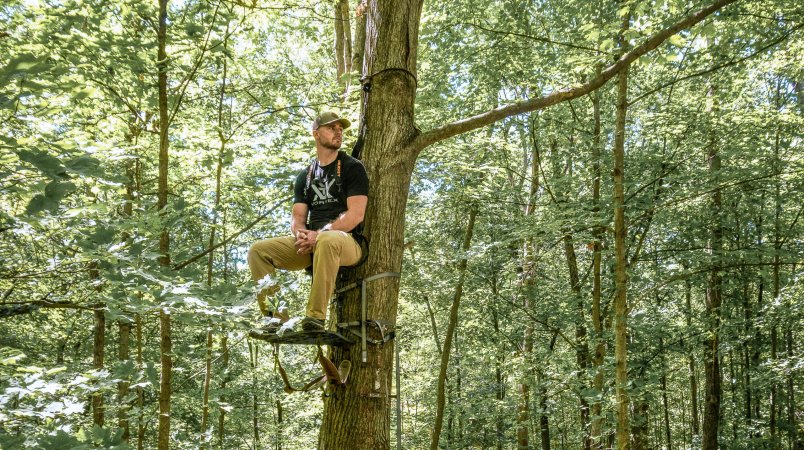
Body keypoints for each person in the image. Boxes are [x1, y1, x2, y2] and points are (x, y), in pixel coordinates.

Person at [247, 111, 369, 332]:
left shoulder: (352, 167)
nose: (338, 132)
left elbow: (356, 215)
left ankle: (315, 318)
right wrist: (301, 235)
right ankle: (276, 317)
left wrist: (319, 234)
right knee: (258, 251)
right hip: (312, 242)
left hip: (348, 242)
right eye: (332, 128)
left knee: (328, 239)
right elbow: (298, 218)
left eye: (340, 129)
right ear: (316, 133)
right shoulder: (306, 176)